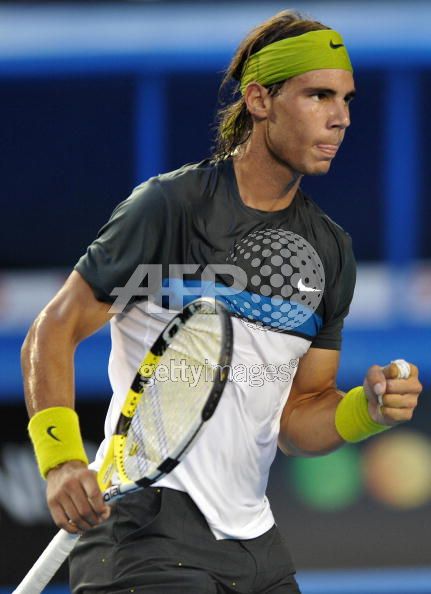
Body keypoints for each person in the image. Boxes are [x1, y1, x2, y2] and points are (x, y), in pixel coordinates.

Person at [22, 10, 422, 594]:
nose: (340, 118)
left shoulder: (330, 251)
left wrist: (370, 409)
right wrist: (59, 460)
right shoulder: (168, 208)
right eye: (318, 95)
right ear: (260, 100)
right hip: (144, 534)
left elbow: (297, 417)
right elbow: (52, 331)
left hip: (256, 547)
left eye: (347, 99)